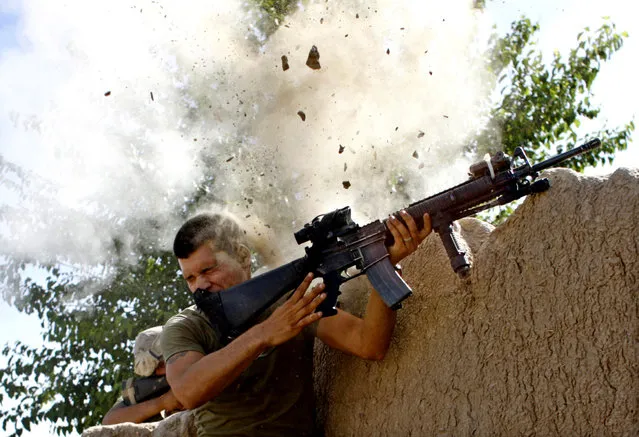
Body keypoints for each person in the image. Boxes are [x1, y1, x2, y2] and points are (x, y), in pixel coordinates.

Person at [161, 210, 431, 436]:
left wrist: (385, 262)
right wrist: (265, 333)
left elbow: (369, 344)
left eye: (208, 270)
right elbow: (188, 391)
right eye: (191, 278)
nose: (201, 286)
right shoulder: (186, 326)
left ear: (243, 256)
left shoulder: (290, 302)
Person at [102, 326, 183, 425]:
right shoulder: (152, 388)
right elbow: (109, 422)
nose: (159, 372)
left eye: (161, 365)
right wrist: (163, 402)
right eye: (154, 370)